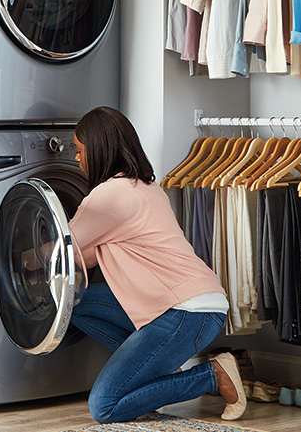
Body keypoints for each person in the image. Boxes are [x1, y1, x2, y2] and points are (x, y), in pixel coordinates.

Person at [67, 106, 246, 424]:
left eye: (80, 151)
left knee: (104, 407)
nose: (77, 159)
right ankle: (151, 377)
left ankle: (211, 376)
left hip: (184, 313)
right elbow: (88, 255)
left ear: (97, 150)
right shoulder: (145, 188)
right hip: (200, 304)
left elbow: (63, 251)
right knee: (77, 303)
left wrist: (20, 255)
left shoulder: (108, 196)